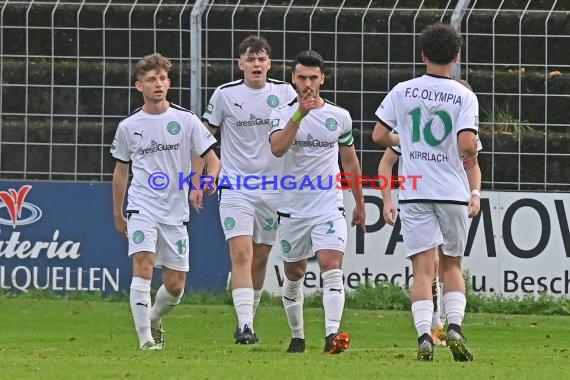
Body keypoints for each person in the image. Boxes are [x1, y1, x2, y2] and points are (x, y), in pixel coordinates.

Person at [372, 22, 481, 361]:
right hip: (451, 191)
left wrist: (401, 140)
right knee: (451, 266)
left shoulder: (403, 90)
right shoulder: (464, 95)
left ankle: (423, 334)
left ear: (423, 54)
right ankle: (455, 327)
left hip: (416, 191)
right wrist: (473, 150)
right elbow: (466, 143)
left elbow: (378, 135)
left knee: (422, 269)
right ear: (457, 56)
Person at [191, 35, 298, 344]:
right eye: (250, 59)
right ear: (240, 64)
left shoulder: (285, 93)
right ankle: (245, 326)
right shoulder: (224, 95)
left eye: (261, 59)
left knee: (260, 258)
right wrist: (198, 181)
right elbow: (203, 139)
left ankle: (249, 315)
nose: (256, 64)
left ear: (270, 63)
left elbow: (298, 133)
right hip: (235, 185)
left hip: (273, 189)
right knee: (241, 253)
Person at [111, 53, 220, 350]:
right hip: (142, 205)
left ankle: (155, 318)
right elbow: (121, 171)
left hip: (175, 211)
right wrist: (119, 214)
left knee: (175, 286)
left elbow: (213, 160)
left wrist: (206, 180)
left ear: (169, 83)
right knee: (143, 265)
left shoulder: (185, 120)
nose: (157, 84)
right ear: (139, 86)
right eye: (151, 80)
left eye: (162, 79)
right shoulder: (129, 126)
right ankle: (146, 341)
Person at [269, 50, 366, 354]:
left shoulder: (339, 116)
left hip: (328, 204)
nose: (308, 83)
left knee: (331, 266)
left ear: (323, 78)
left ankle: (331, 336)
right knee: (294, 274)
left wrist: (360, 202)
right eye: (302, 78)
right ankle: (298, 337)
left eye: (313, 77)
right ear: (293, 80)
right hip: (292, 207)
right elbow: (277, 149)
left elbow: (349, 162)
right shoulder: (282, 113)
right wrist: (300, 114)